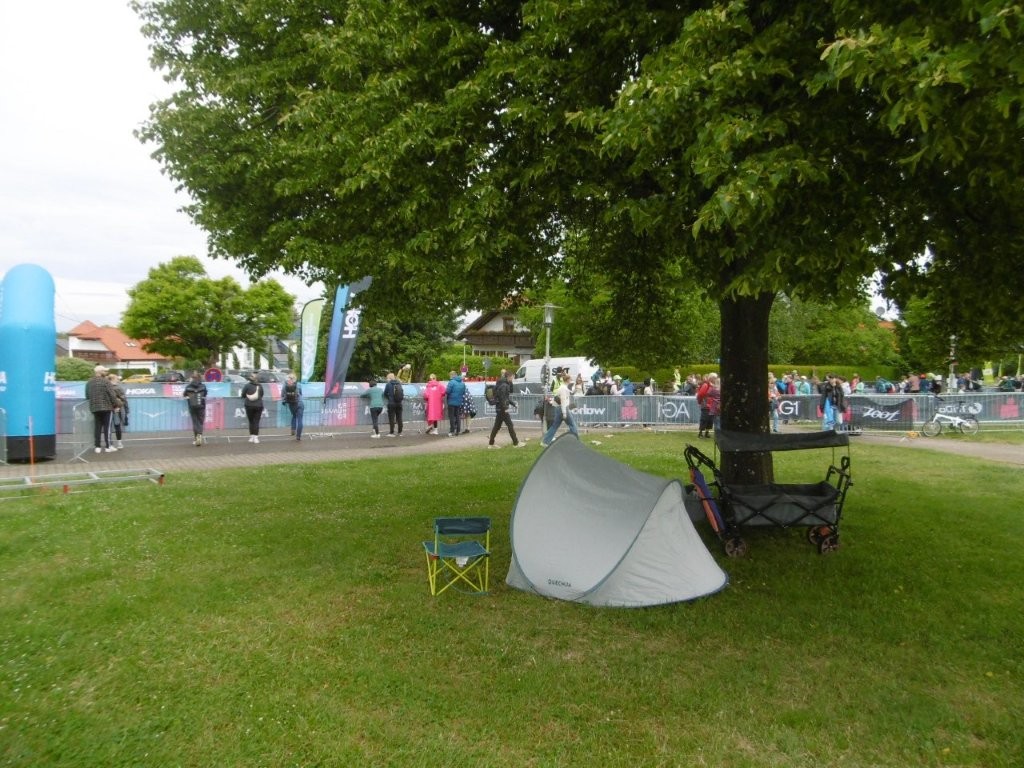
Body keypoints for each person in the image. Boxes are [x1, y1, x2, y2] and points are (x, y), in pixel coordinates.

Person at [85, 364, 119, 453]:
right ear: (100, 372)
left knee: (97, 427)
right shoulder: (106, 381)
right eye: (104, 371)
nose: (106, 372)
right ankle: (108, 446)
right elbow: (112, 395)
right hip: (107, 407)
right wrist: (116, 405)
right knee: (107, 428)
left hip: (94, 408)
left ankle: (97, 447)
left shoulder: (89, 382)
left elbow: (87, 396)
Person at [488, 370, 525, 448]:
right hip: (503, 409)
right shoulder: (505, 385)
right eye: (512, 377)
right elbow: (503, 398)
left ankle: (491, 444)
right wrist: (505, 408)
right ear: (509, 377)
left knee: (496, 427)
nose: (512, 379)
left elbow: (505, 398)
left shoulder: (501, 384)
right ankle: (516, 443)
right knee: (510, 425)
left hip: (499, 408)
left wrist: (513, 404)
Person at [541, 372, 580, 446]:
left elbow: (571, 392)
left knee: (554, 426)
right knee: (572, 425)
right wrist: (564, 413)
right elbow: (563, 401)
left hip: (560, 409)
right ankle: (576, 441)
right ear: (567, 380)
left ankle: (545, 442)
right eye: (570, 379)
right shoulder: (563, 388)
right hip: (563, 409)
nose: (571, 380)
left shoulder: (564, 387)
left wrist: (575, 388)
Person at [183, 370, 208, 446]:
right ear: (199, 378)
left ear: (192, 378)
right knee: (200, 422)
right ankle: (199, 434)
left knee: (195, 422)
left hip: (192, 406)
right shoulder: (203, 386)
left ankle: (196, 438)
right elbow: (205, 394)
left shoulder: (188, 387)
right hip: (201, 406)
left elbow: (184, 395)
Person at [240, 373, 264, 443]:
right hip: (259, 405)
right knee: (256, 421)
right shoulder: (260, 386)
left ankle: (251, 437)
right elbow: (262, 394)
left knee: (251, 421)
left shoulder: (247, 386)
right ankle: (256, 438)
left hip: (249, 405)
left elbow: (243, 395)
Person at [108, 372, 128, 449]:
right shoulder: (118, 388)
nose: (118, 380)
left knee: (108, 427)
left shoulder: (106, 387)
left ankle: (109, 444)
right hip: (117, 409)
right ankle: (119, 443)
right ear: (113, 379)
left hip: (108, 409)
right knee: (117, 425)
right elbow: (124, 399)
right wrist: (126, 410)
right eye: (116, 379)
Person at [281, 374, 304, 441]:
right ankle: (298, 436)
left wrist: (284, 401)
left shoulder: (285, 385)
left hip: (292, 404)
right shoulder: (298, 384)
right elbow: (301, 393)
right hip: (300, 403)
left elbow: (282, 395)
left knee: (294, 415)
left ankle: (293, 430)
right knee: (300, 420)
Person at [382, 372, 404, 437]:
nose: (387, 380)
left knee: (391, 418)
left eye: (387, 378)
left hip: (391, 403)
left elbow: (385, 393)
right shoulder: (399, 383)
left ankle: (391, 432)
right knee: (399, 418)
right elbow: (402, 393)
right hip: (399, 403)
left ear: (389, 378)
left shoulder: (388, 384)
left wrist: (389, 398)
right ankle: (400, 432)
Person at [445, 370, 466, 437]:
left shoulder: (451, 382)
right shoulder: (462, 383)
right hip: (459, 402)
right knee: (457, 416)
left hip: (451, 401)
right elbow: (463, 392)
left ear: (452, 375)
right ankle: (458, 431)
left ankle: (452, 431)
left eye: (450, 375)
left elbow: (447, 391)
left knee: (451, 417)